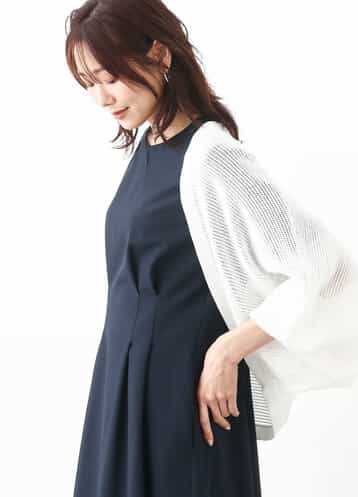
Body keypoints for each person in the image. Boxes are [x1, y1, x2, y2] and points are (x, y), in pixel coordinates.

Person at [65, 1, 272, 496]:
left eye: (109, 77)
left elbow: (327, 274)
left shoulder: (212, 156)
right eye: (88, 83)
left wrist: (228, 350)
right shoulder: (150, 143)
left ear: (159, 54)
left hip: (183, 399)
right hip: (122, 388)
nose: (101, 98)